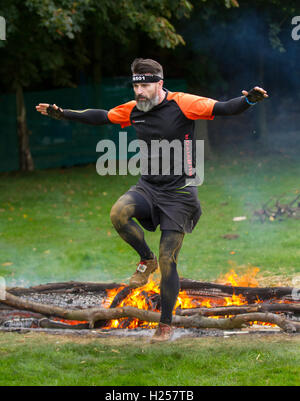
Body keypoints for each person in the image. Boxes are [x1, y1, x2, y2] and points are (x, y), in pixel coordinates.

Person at [36, 58, 268, 342]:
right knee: (118, 213)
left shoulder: (183, 103)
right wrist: (64, 114)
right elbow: (101, 116)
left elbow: (223, 108)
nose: (139, 92)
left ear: (159, 83)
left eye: (145, 85)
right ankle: (145, 260)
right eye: (136, 86)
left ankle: (165, 324)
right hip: (148, 186)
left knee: (168, 258)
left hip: (180, 192)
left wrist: (249, 102)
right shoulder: (134, 110)